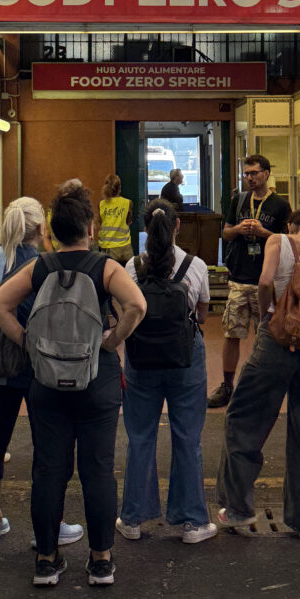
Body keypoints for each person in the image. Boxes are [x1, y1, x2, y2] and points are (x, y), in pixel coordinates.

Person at [0, 180, 146, 587]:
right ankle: (101, 560)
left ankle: (46, 559)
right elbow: (137, 305)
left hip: (46, 379)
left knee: (48, 469)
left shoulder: (39, 267)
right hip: (97, 377)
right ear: (90, 228)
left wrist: (28, 342)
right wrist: (112, 341)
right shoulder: (105, 267)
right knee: (98, 469)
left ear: (52, 232)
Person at [0, 196, 83, 548]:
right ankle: (50, 523)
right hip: (40, 365)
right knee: (48, 445)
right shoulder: (47, 266)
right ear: (41, 228)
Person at [217, 196, 300, 539]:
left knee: (244, 420)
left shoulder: (278, 241)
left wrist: (267, 317)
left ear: (291, 225)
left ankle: (238, 510)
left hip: (277, 340)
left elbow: (265, 281)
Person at [116, 198, 214, 544]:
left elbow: (125, 310)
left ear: (145, 229)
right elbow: (202, 315)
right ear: (177, 227)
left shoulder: (131, 267)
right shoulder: (195, 265)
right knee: (187, 436)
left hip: (141, 357)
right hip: (185, 358)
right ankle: (193, 521)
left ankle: (132, 518)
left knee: (140, 435)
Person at [208, 154, 291, 408]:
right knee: (231, 333)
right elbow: (226, 233)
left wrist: (264, 233)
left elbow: (287, 242)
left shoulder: (280, 205)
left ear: (266, 174)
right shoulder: (239, 200)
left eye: (254, 173)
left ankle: (264, 386)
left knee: (266, 336)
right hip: (239, 279)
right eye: (247, 174)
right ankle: (227, 385)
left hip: (266, 281)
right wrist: (239, 230)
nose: (250, 178)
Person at [97, 173, 134, 265]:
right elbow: (128, 222)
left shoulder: (101, 204)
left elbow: (100, 222)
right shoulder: (128, 203)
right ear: (120, 188)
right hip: (125, 248)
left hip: (107, 248)